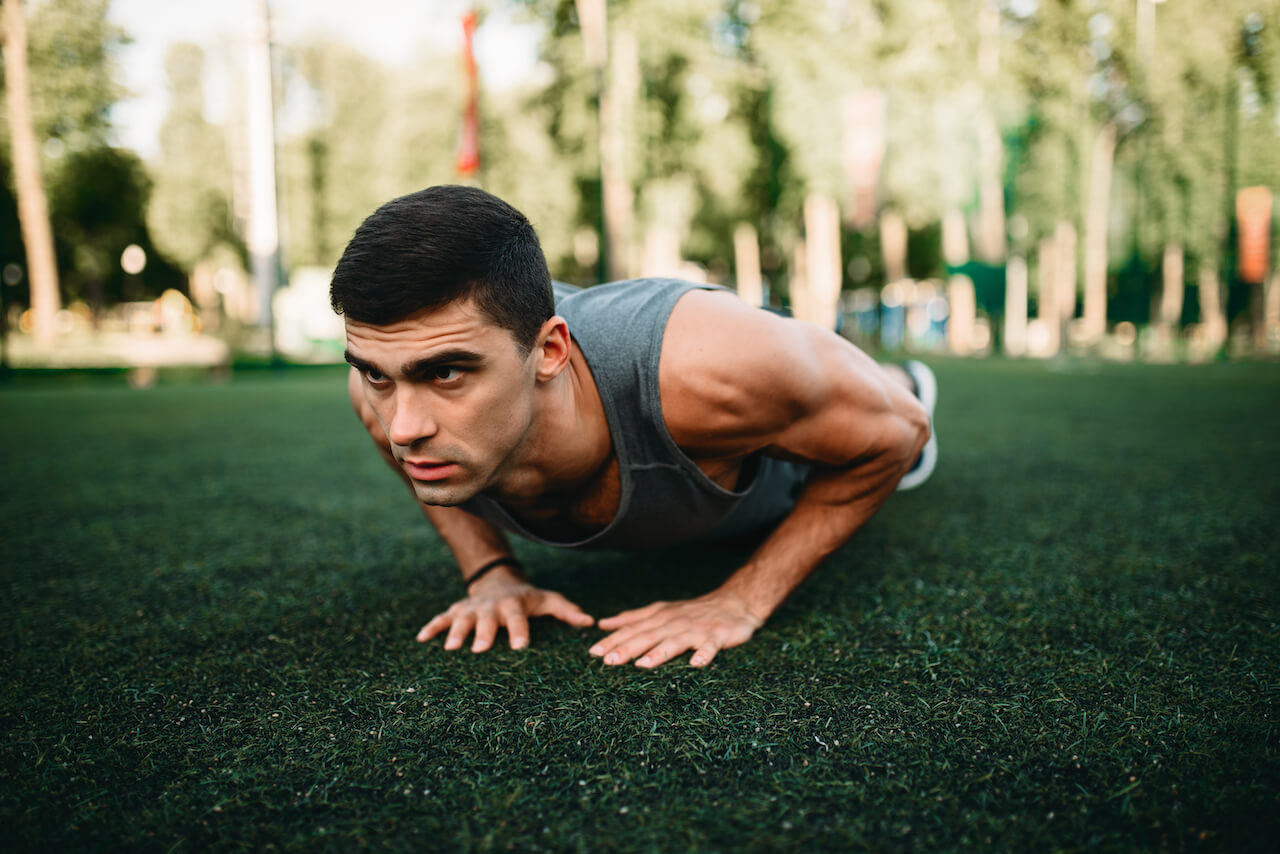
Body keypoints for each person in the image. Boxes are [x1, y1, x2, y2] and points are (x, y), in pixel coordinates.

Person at [331, 185, 936, 670]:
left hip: (768, 446)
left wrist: (742, 599)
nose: (404, 428)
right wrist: (492, 573)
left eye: (445, 374)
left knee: (878, 403)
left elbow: (904, 432)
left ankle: (900, 374)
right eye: (380, 376)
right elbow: (399, 411)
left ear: (549, 351)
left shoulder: (708, 369)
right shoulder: (377, 390)